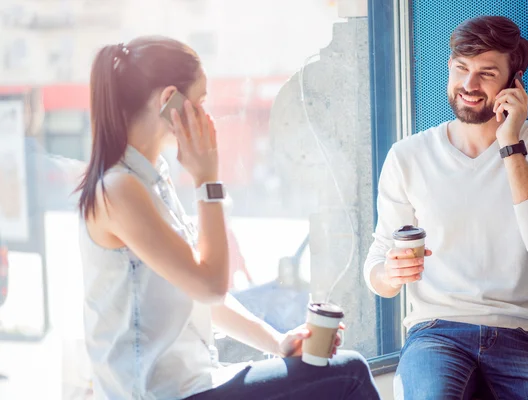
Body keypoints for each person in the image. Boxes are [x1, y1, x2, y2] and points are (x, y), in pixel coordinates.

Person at [76, 36, 380, 400]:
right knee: (351, 374)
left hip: (197, 383)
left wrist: (278, 341)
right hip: (164, 394)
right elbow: (210, 285)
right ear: (169, 100)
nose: (206, 116)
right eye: (201, 102)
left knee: (334, 372)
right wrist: (208, 180)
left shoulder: (152, 179)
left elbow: (202, 293)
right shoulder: (118, 190)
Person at [364, 16, 528, 400]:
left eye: (486, 73)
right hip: (435, 332)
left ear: (514, 81)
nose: (469, 85)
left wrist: (509, 144)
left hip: (521, 334)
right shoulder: (408, 155)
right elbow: (377, 265)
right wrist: (391, 274)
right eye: (461, 68)